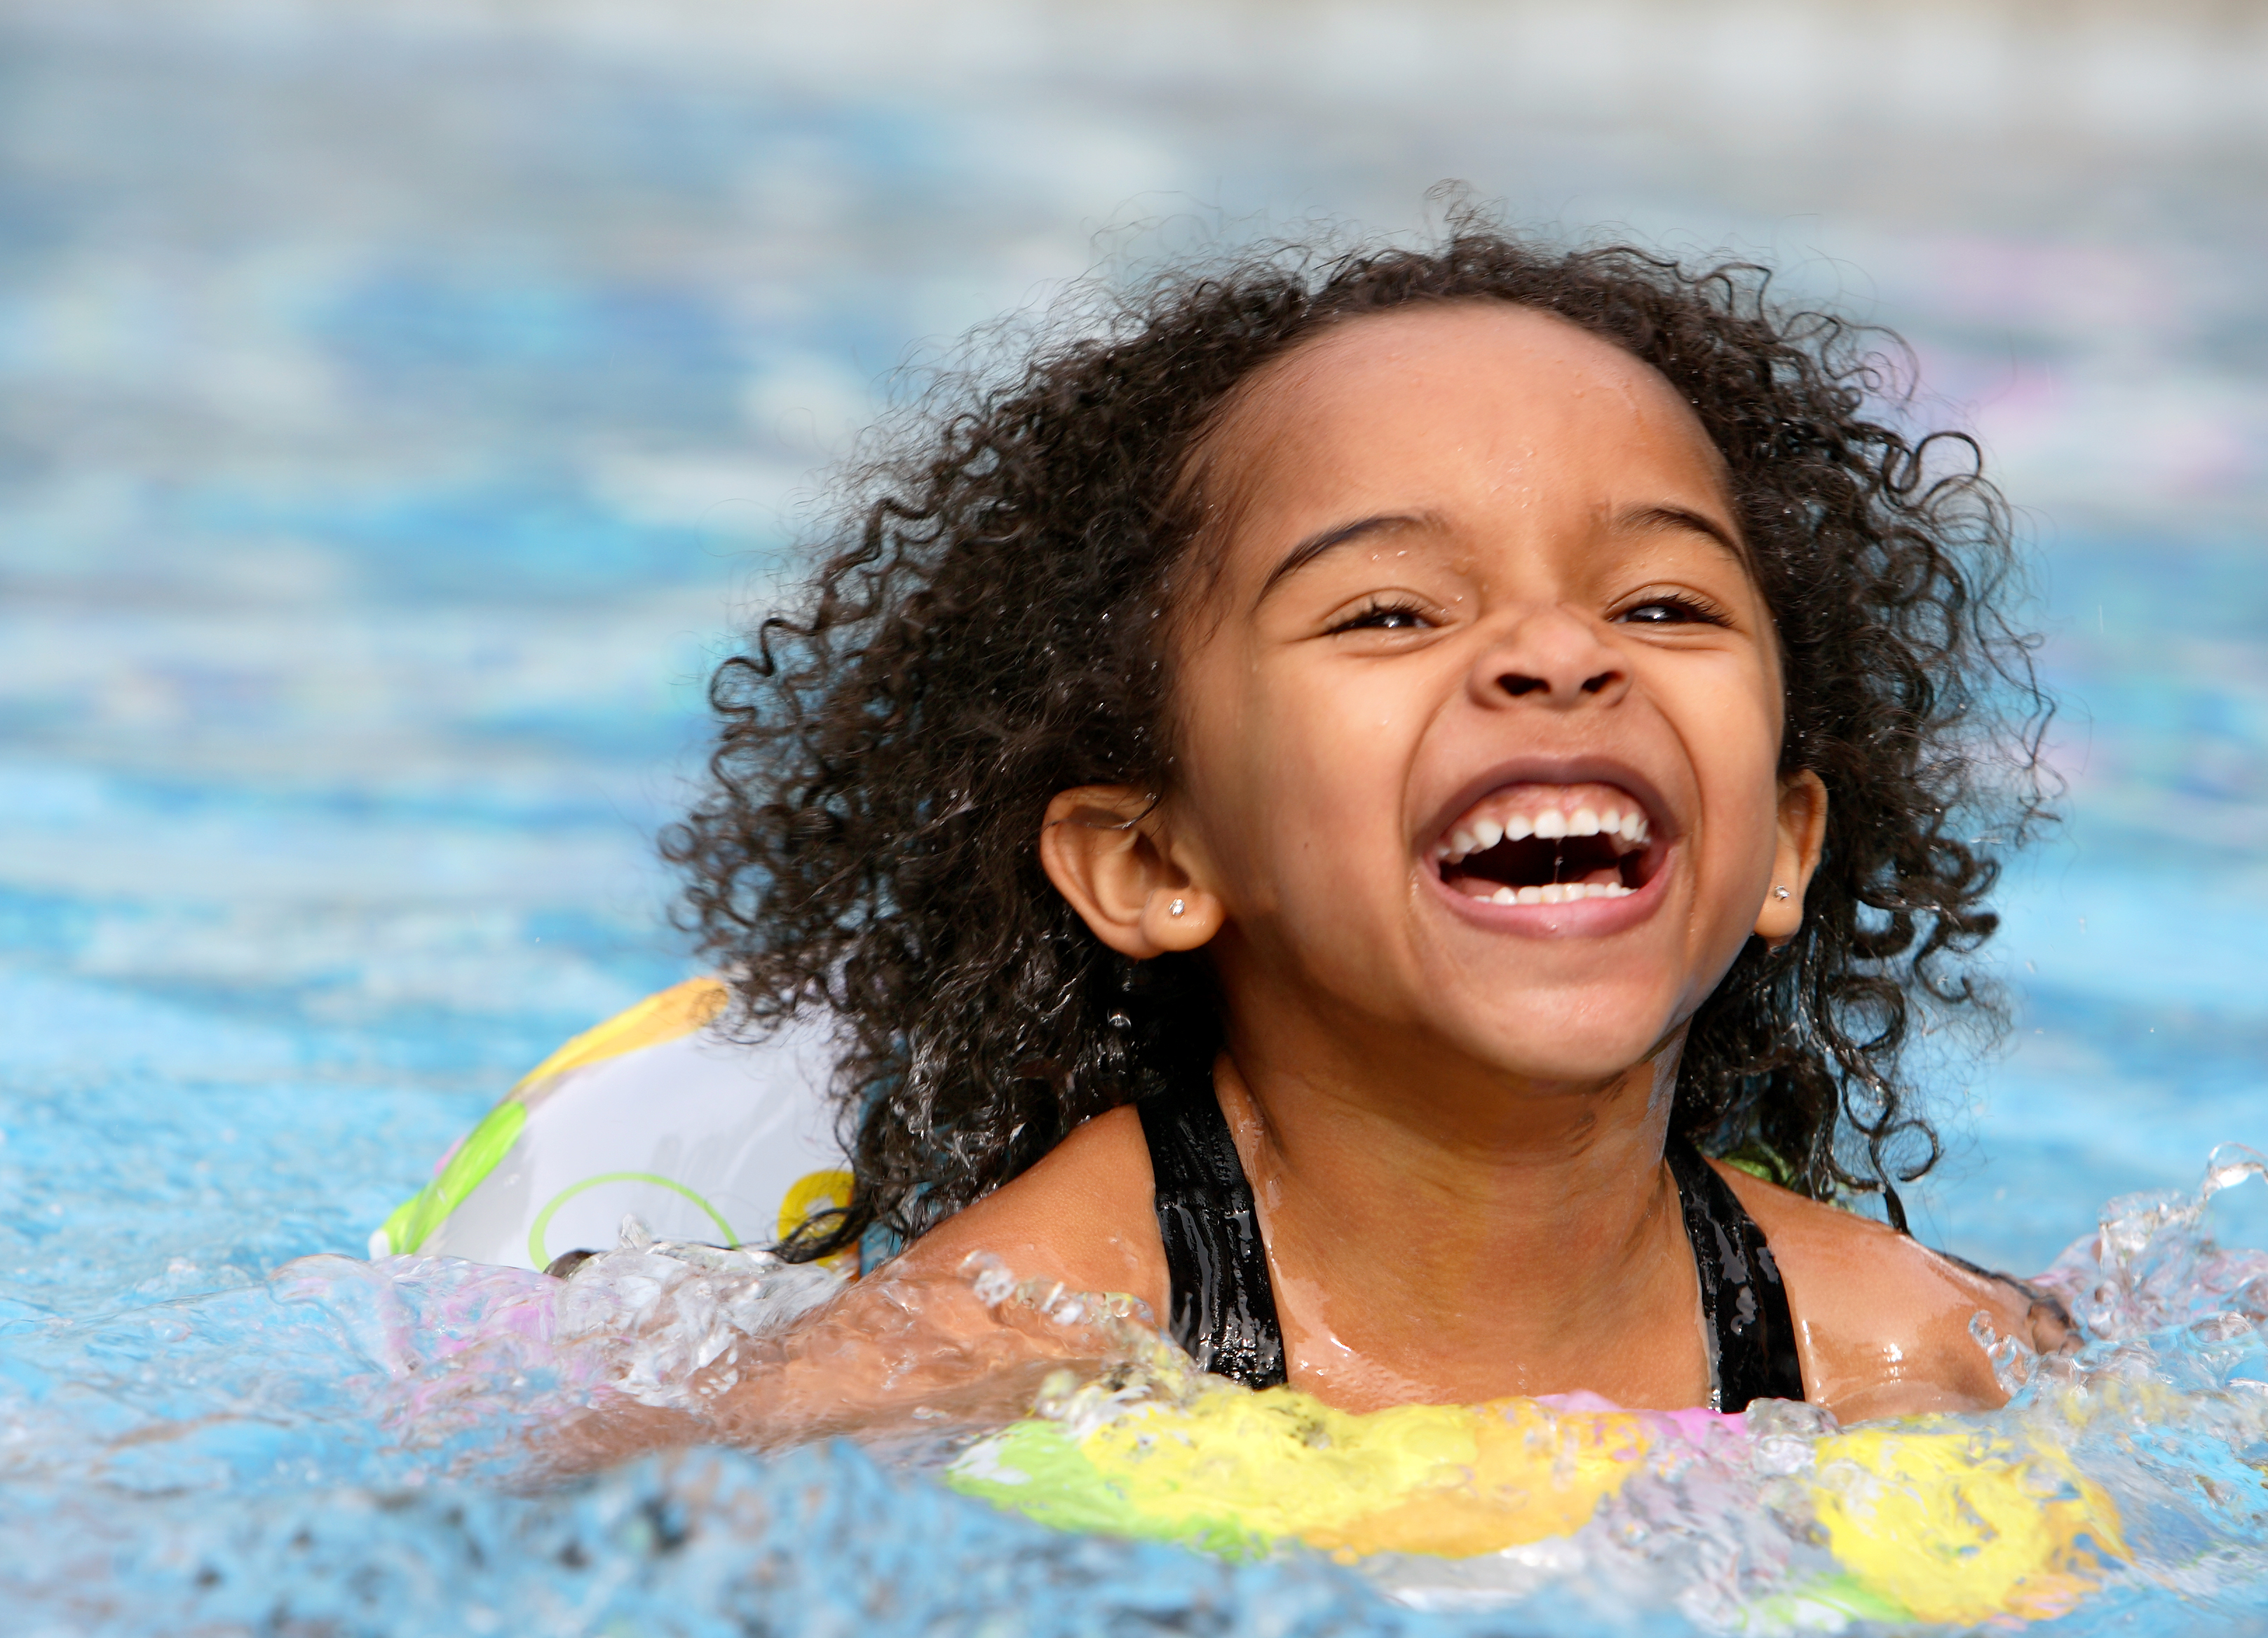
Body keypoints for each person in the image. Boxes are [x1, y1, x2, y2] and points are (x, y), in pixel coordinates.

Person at [645, 215, 2064, 1442]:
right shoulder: (1003, 1343)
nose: (1559, 653)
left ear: (1781, 848)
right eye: (1389, 611)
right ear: (1154, 861)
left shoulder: (1907, 1354)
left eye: (1662, 604)